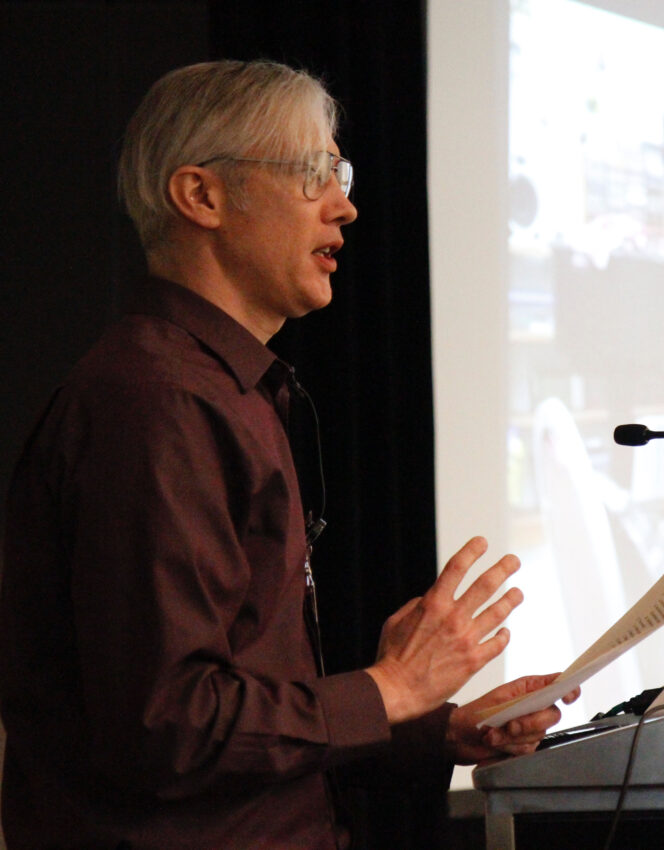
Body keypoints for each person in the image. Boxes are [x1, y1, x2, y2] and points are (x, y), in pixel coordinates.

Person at [0, 60, 575, 849]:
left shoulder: (224, 390)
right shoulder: (155, 403)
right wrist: (389, 686)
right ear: (201, 195)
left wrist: (427, 729)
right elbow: (167, 728)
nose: (345, 204)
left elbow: (244, 728)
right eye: (312, 174)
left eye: (338, 171)